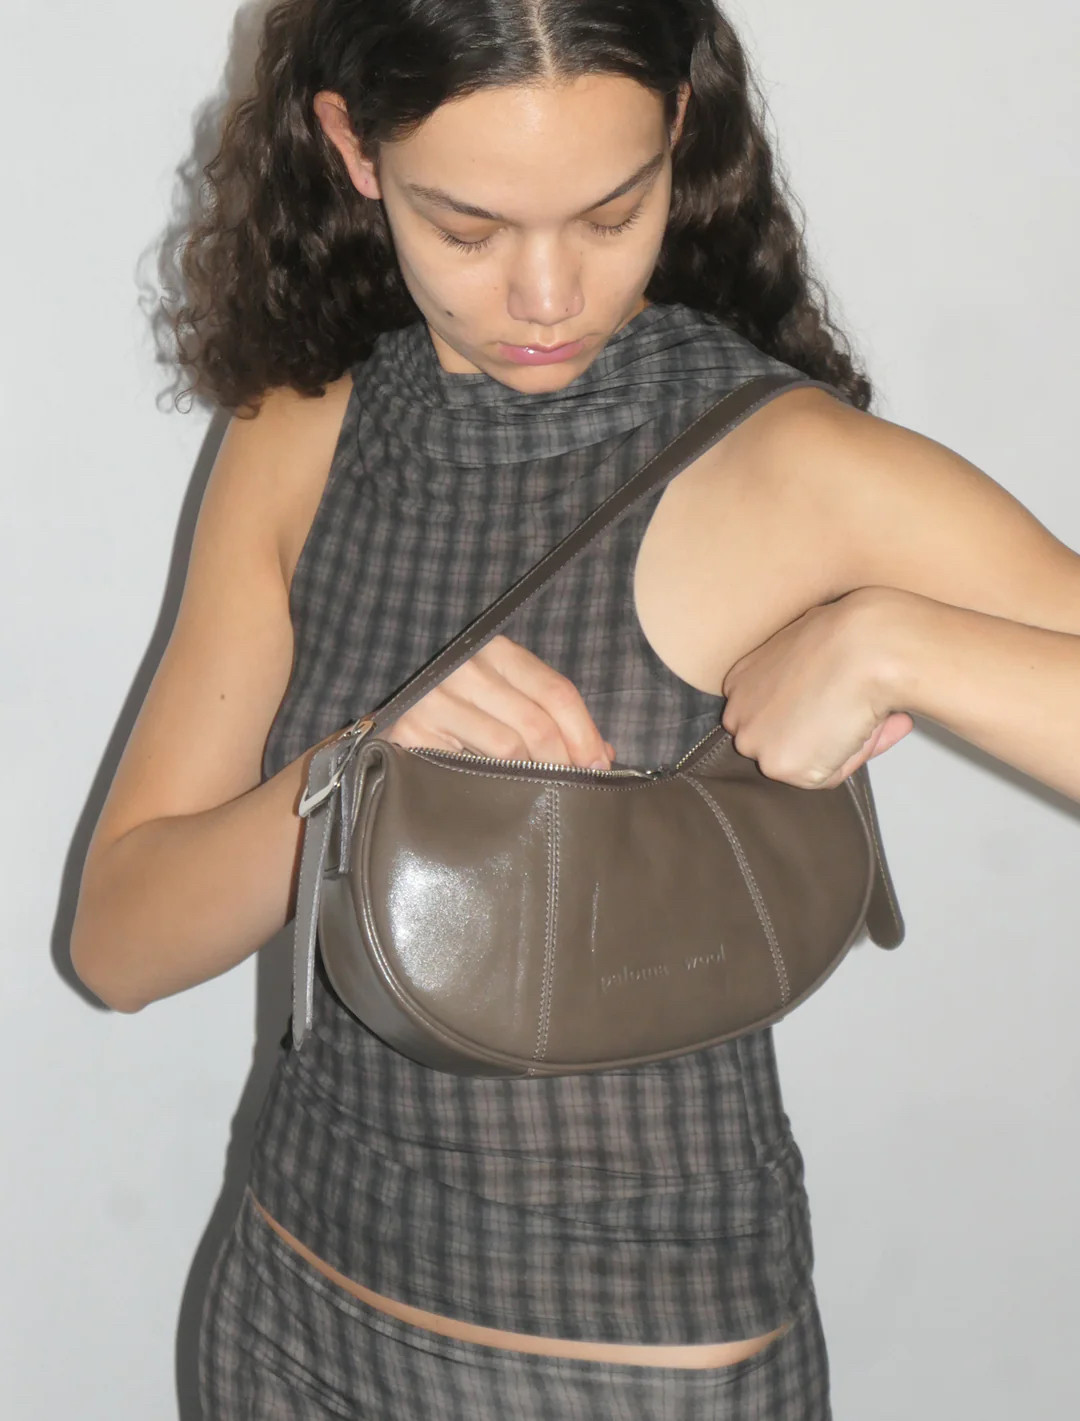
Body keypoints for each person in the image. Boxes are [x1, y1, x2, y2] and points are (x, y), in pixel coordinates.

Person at [69, 1, 1080, 1416]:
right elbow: (118, 945)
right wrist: (358, 772)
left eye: (612, 214)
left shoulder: (784, 466)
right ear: (355, 151)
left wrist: (893, 641)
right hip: (290, 1322)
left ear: (678, 131)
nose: (548, 297)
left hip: (633, 1375)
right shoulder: (303, 431)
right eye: (467, 228)